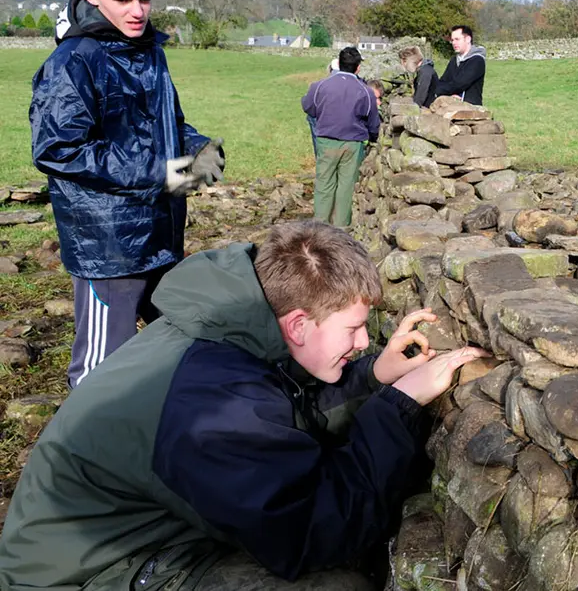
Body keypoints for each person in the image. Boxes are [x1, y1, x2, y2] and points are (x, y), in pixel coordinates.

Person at [0, 220, 490, 590]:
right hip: (83, 576)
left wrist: (376, 376)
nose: (364, 340)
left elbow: (284, 415)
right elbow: (314, 531)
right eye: (353, 329)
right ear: (298, 325)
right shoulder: (213, 401)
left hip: (131, 542)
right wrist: (399, 404)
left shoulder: (225, 334)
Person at [30, 0, 224, 391]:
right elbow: (59, 149)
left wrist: (199, 150)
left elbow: (167, 123)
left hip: (161, 230)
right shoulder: (73, 63)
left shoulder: (148, 49)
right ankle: (85, 453)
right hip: (108, 246)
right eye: (123, 0)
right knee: (101, 369)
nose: (138, 11)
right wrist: (160, 170)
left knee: (171, 347)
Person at [301, 46, 380, 227]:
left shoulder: (320, 85)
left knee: (324, 184)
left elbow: (308, 107)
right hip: (353, 143)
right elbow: (373, 121)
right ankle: (341, 229)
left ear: (339, 62)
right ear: (358, 67)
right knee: (346, 187)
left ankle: (320, 228)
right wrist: (373, 138)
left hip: (326, 140)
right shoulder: (365, 91)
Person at [436, 25, 486, 105]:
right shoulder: (454, 60)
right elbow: (443, 81)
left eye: (457, 39)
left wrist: (441, 91)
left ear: (468, 39)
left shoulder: (477, 60)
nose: (454, 43)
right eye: (452, 40)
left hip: (472, 110)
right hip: (452, 107)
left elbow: (459, 84)